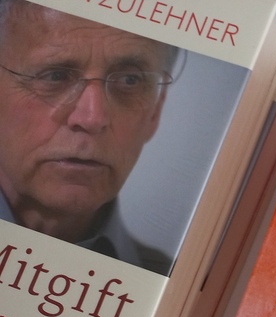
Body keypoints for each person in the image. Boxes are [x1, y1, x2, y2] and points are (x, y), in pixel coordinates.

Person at [0, 0, 179, 274]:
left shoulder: (180, 287)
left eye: (130, 81)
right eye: (55, 76)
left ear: (155, 110)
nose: (93, 118)